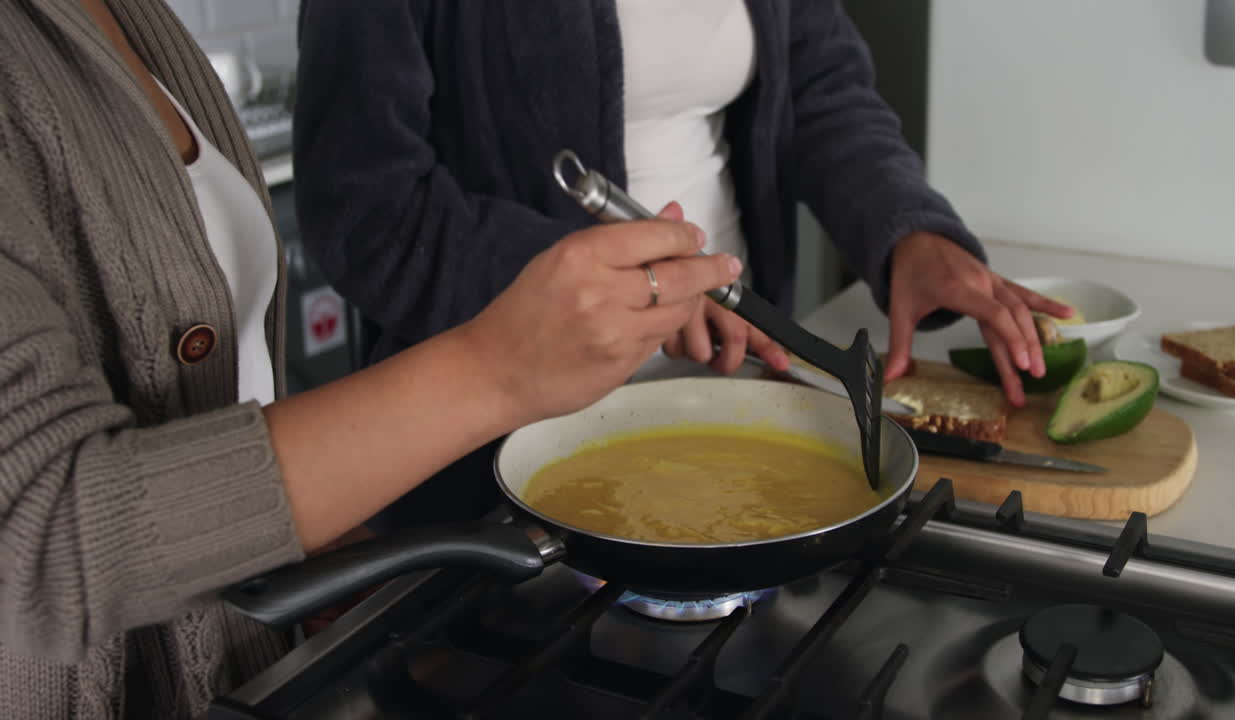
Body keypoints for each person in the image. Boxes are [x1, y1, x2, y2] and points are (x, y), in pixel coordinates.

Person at [0, 1, 741, 717]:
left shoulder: (127, 16)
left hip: (254, 655)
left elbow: (201, 394)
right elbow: (40, 532)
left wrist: (312, 543)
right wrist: (498, 368)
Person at [293, 0, 1073, 528]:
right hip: (490, 464)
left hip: (730, 392)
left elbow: (820, 86)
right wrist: (626, 291)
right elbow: (367, 207)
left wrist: (910, 231)